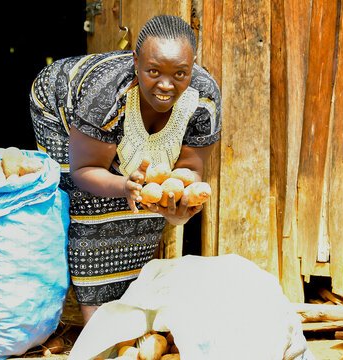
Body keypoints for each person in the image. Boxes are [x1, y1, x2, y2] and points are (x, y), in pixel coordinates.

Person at [29, 15, 221, 324]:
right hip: (58, 107)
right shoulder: (105, 96)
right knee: (92, 203)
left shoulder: (204, 98)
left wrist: (179, 204)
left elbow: (188, 169)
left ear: (193, 65)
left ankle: (128, 309)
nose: (166, 85)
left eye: (180, 73)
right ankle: (95, 320)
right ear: (136, 61)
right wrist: (122, 186)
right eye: (153, 71)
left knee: (145, 202)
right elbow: (86, 169)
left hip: (107, 126)